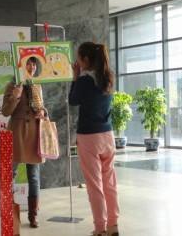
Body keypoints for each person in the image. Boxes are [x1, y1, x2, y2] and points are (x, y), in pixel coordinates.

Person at [69, 42, 119, 236]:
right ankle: (113, 225)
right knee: (109, 182)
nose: (77, 62)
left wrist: (75, 77)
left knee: (94, 185)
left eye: (79, 58)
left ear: (86, 60)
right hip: (108, 136)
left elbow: (72, 100)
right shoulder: (108, 77)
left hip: (89, 137)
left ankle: (100, 229)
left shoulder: (84, 81)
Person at [2, 56, 46, 229]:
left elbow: (42, 108)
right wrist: (15, 96)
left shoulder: (37, 85)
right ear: (21, 65)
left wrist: (43, 113)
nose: (32, 66)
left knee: (33, 177)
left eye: (34, 63)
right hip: (17, 133)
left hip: (34, 133)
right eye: (28, 62)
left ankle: (33, 215)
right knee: (10, 174)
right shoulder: (12, 85)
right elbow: (6, 112)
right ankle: (9, 213)